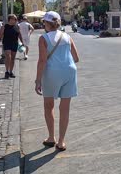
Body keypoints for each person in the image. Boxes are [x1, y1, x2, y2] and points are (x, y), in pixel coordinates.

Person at [35, 11, 79, 152]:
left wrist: (37, 80)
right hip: (69, 71)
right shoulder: (67, 36)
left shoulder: (43, 38)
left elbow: (42, 60)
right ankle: (61, 141)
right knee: (65, 108)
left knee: (49, 106)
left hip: (52, 73)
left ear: (47, 24)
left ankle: (51, 137)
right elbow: (76, 58)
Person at [0, 14, 24, 79]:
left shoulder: (17, 26)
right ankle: (7, 71)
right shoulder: (4, 27)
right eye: (15, 19)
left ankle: (11, 72)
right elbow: (0, 36)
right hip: (6, 43)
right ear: (10, 19)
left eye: (16, 19)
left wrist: (22, 42)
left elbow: (20, 35)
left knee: (13, 58)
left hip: (15, 43)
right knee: (8, 57)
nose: (16, 20)